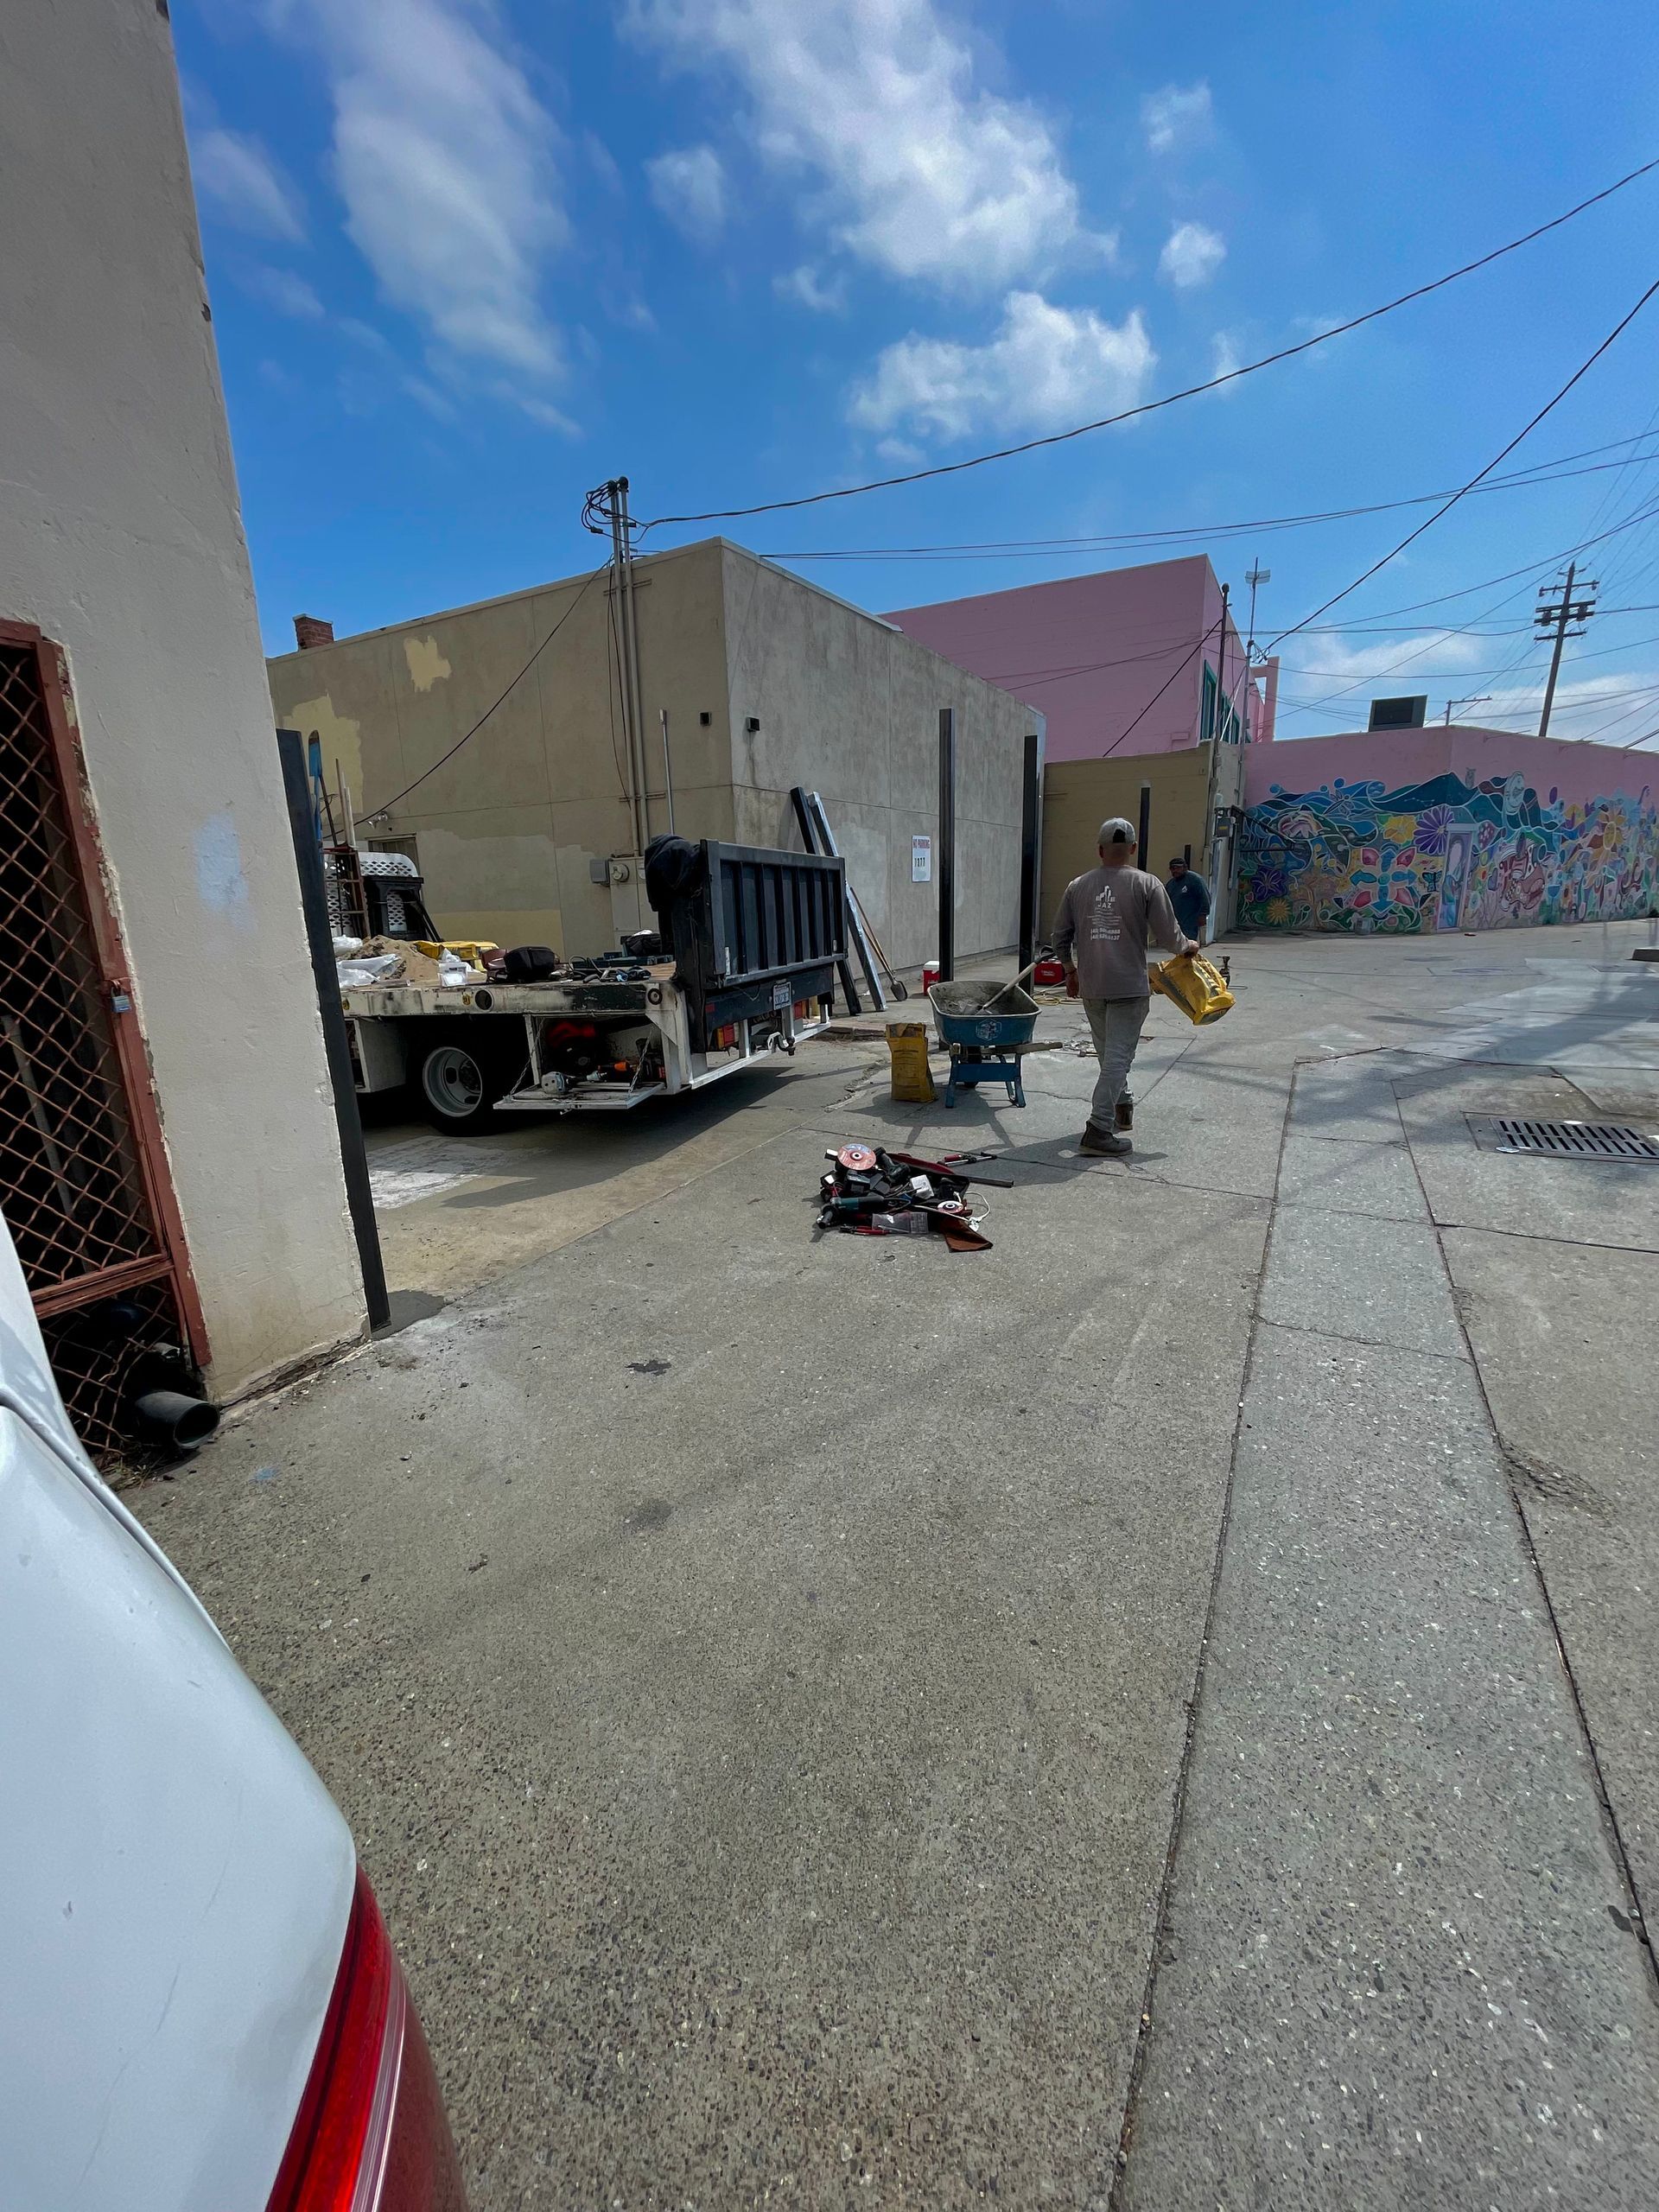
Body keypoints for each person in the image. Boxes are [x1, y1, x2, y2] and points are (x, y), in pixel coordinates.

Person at [1052, 818, 1198, 1155]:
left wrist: (1070, 970)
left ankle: (1123, 1105)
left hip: (1092, 985)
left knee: (1108, 1055)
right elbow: (1169, 935)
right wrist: (1188, 946)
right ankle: (1099, 1129)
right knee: (1118, 1058)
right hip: (1129, 986)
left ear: (1100, 850)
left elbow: (1060, 936)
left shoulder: (1077, 886)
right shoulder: (1147, 884)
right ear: (1133, 848)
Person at [1165, 855, 1211, 944]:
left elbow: (1205, 897)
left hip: (1191, 921)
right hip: (1177, 921)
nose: (1175, 871)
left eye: (1178, 868)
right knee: (1178, 946)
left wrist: (1203, 914)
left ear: (1185, 868)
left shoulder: (1195, 880)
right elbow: (1167, 901)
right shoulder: (1171, 884)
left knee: (1189, 945)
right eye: (1172, 868)